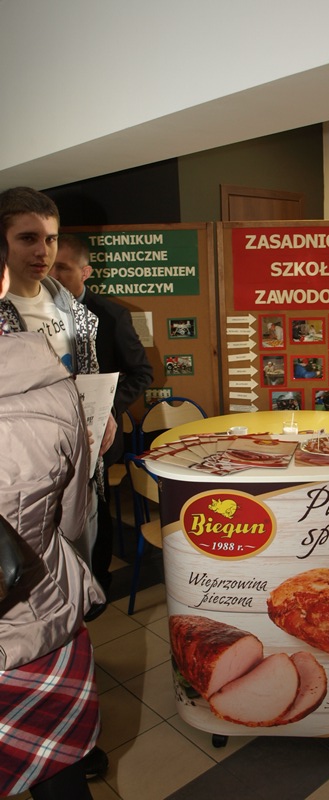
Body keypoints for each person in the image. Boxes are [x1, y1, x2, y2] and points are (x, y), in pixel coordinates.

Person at [0, 232, 108, 798]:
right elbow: (71, 522)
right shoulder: (51, 389)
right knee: (59, 782)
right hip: (37, 622)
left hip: (33, 623)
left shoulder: (83, 318)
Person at [0, 188, 115, 579]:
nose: (42, 251)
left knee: (84, 576)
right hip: (23, 480)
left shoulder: (68, 306)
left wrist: (105, 414)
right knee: (38, 586)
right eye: (27, 238)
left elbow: (88, 377)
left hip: (82, 469)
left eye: (50, 239)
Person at [51, 233, 153, 597]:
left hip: (99, 438)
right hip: (51, 437)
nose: (53, 275)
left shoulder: (111, 315)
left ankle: (98, 584)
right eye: (50, 267)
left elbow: (141, 373)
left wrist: (107, 408)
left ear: (85, 272)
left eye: (62, 268)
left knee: (96, 507)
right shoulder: (35, 313)